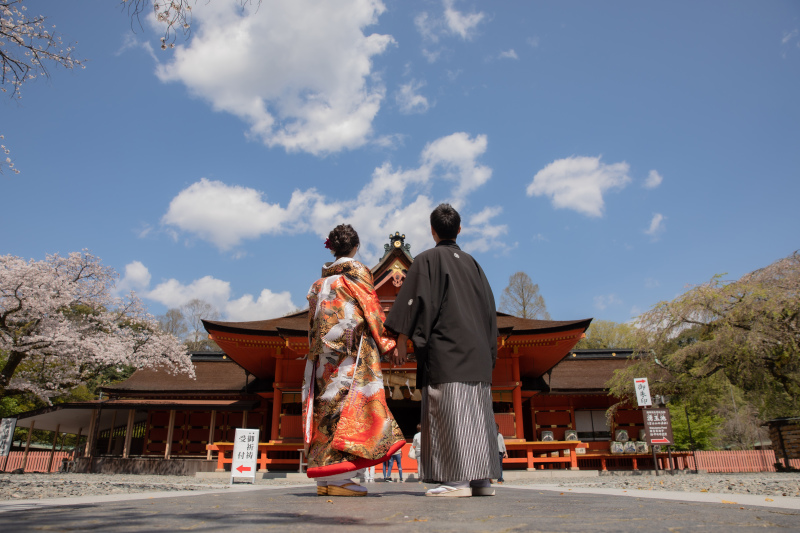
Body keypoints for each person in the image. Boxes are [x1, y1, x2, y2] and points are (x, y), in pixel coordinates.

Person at [385, 203, 501, 498]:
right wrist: (490, 354)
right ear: (459, 229)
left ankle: (457, 481)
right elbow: (490, 311)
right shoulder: (475, 264)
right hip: (478, 356)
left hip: (447, 352)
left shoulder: (426, 260)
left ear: (433, 230)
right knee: (476, 417)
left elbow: (414, 301)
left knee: (449, 414)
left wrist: (401, 339)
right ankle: (481, 481)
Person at [304, 224, 406, 497]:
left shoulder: (318, 284)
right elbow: (372, 307)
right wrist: (391, 341)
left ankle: (324, 479)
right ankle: (341, 478)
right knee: (349, 412)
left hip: (320, 358)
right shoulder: (357, 273)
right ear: (355, 247)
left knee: (325, 412)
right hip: (350, 353)